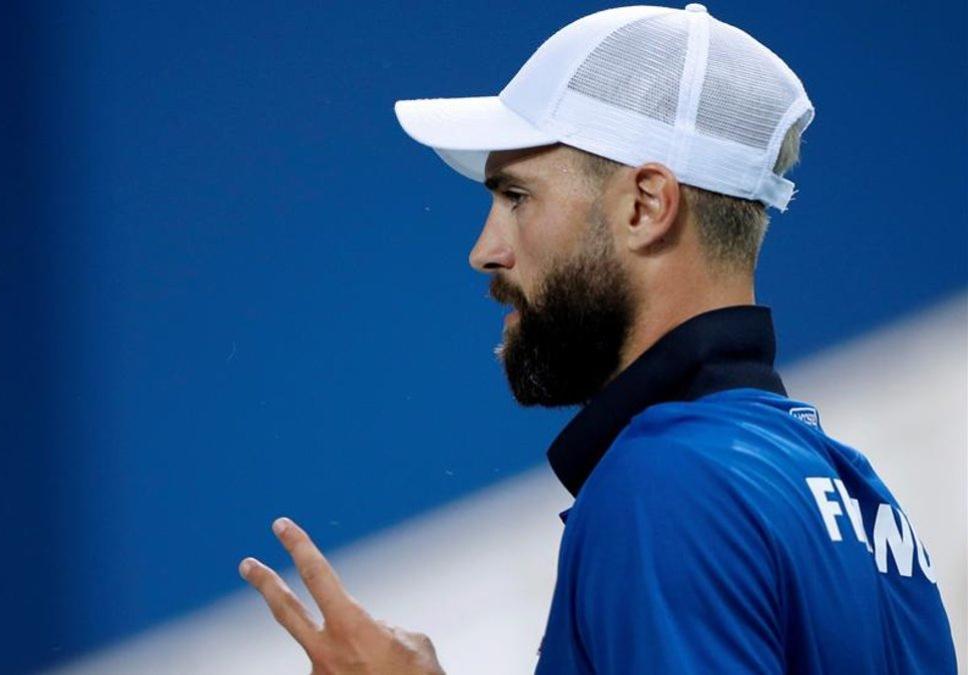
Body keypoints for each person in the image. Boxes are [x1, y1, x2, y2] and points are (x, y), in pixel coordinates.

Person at [237, 4, 959, 673]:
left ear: (646, 205)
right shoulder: (859, 495)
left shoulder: (667, 484)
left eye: (517, 196)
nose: (484, 249)